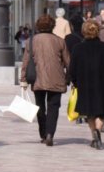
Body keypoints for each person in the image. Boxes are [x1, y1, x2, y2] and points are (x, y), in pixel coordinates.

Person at [69, 20, 104, 150]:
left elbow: (72, 69)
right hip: (102, 85)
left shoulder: (78, 48)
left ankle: (94, 133)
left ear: (83, 31)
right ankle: (98, 130)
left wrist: (74, 82)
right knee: (103, 112)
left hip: (85, 84)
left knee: (89, 113)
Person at [20, 15, 70, 146]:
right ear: (52, 26)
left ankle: (43, 133)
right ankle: (50, 133)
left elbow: (25, 62)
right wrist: (70, 77)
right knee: (54, 107)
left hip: (37, 78)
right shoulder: (60, 41)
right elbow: (68, 62)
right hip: (56, 78)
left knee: (40, 106)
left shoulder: (31, 41)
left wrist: (23, 79)